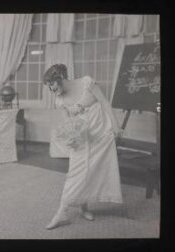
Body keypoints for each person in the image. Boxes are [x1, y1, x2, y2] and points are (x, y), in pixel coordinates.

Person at [43, 64, 123, 230]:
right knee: (75, 173)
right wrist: (71, 138)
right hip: (82, 138)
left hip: (100, 134)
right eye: (48, 86)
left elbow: (104, 102)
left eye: (52, 84)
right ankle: (62, 212)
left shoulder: (87, 82)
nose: (51, 89)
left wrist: (116, 127)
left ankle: (84, 206)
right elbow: (68, 123)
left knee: (94, 171)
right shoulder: (60, 99)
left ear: (61, 78)